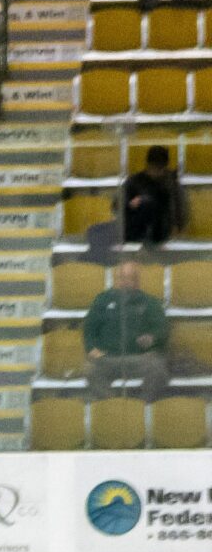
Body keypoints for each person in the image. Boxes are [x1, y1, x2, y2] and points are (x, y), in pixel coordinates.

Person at [86, 260, 171, 401]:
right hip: (108, 358)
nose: (124, 282)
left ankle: (141, 406)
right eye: (121, 277)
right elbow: (89, 328)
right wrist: (91, 349)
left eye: (129, 278)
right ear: (116, 279)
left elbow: (162, 329)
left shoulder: (150, 302)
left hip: (140, 358)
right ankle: (112, 405)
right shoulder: (102, 300)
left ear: (137, 281)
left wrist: (152, 338)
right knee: (91, 370)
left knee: (159, 370)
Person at [123, 145, 186, 250]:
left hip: (164, 234)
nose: (158, 172)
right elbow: (118, 205)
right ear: (148, 165)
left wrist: (177, 227)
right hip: (138, 234)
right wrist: (131, 204)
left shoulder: (171, 183)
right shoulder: (134, 181)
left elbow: (179, 208)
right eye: (155, 167)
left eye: (161, 168)